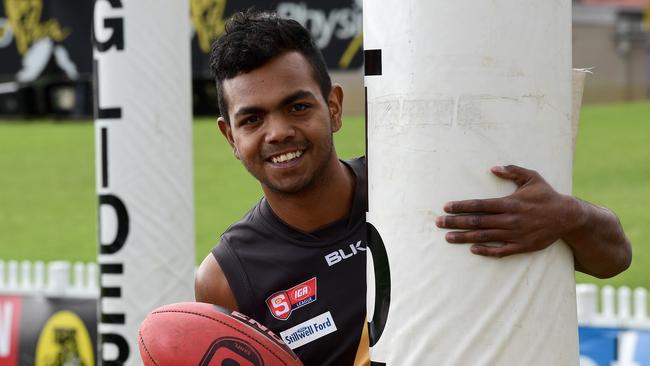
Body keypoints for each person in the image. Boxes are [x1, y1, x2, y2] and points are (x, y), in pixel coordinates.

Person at [195, 10, 632, 366]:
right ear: (230, 137)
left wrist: (569, 216)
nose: (279, 133)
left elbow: (615, 258)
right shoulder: (227, 279)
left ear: (334, 107)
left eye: (297, 106)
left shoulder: (422, 186)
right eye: (252, 120)